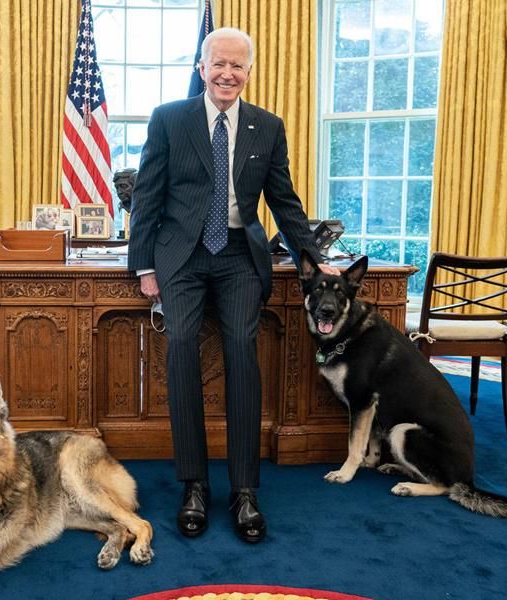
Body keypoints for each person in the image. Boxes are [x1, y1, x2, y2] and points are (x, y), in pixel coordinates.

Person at [127, 27, 333, 544]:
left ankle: (244, 490)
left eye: (238, 66)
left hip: (241, 255)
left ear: (249, 72)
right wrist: (144, 266)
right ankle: (194, 484)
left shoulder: (268, 126)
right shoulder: (170, 119)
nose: (227, 74)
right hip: (182, 256)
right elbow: (147, 196)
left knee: (242, 347)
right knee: (179, 347)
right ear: (201, 67)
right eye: (218, 63)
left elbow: (283, 202)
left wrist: (314, 256)